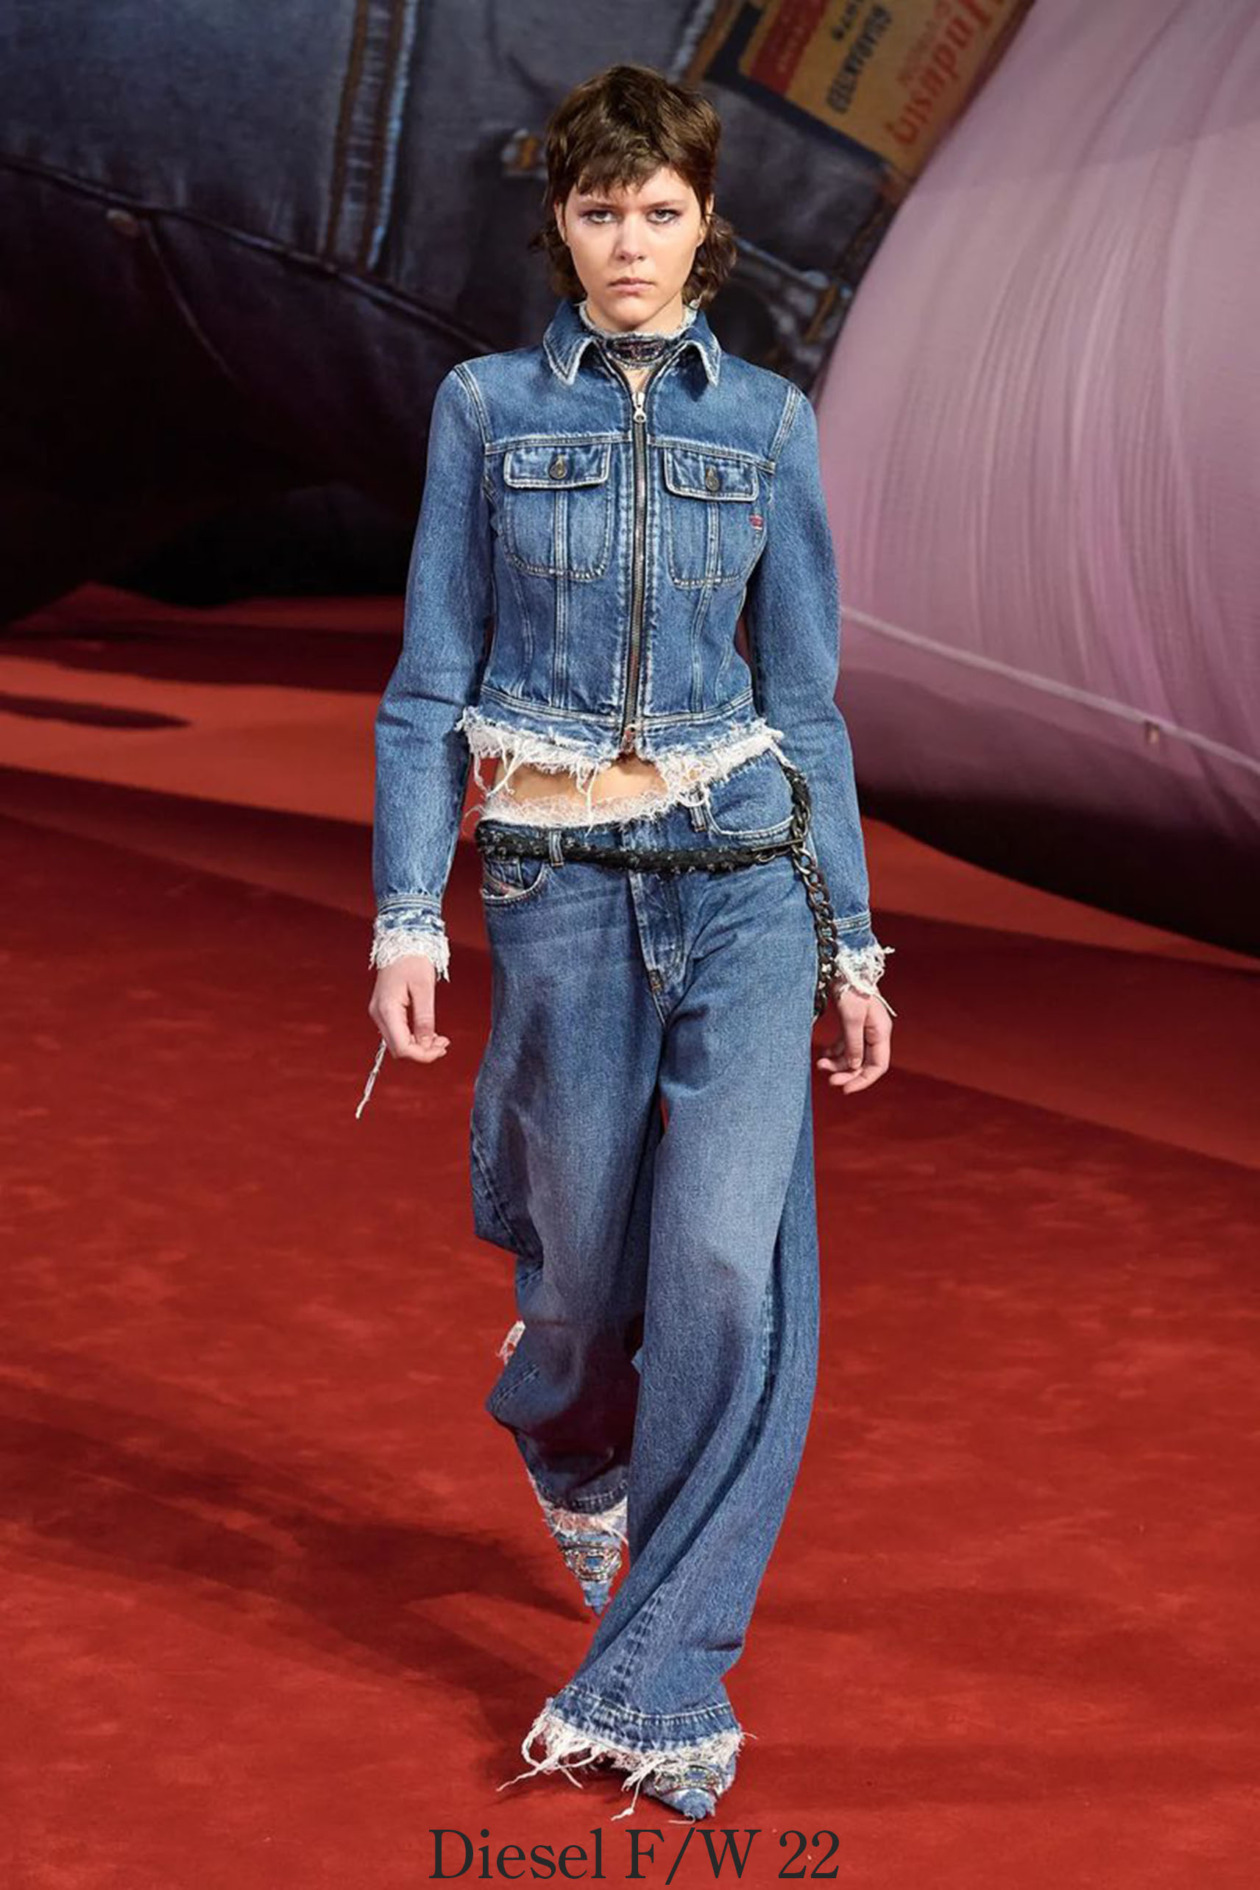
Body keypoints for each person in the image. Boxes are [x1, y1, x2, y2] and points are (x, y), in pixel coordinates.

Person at [357, 62, 895, 1821]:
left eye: (661, 210)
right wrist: (405, 915)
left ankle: (662, 1678)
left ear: (705, 222)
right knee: (583, 1269)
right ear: (562, 224)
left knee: (729, 1269)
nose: (632, 241)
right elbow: (427, 684)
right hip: (559, 883)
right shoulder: (486, 408)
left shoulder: (771, 426)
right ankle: (568, 1432)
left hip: (741, 871)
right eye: (602, 211)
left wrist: (854, 944)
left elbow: (806, 704)